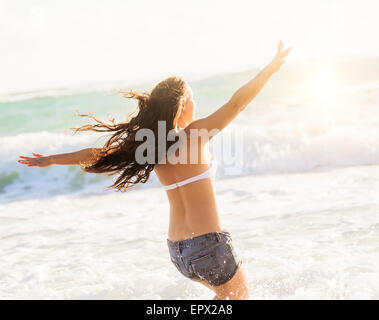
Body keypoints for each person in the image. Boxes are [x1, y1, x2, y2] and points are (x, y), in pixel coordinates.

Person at [18, 40, 291, 300]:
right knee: (239, 296)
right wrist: (268, 70)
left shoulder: (151, 147)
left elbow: (98, 154)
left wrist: (52, 159)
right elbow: (236, 104)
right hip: (207, 246)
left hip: (179, 252)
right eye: (193, 98)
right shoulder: (194, 134)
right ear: (183, 105)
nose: (196, 104)